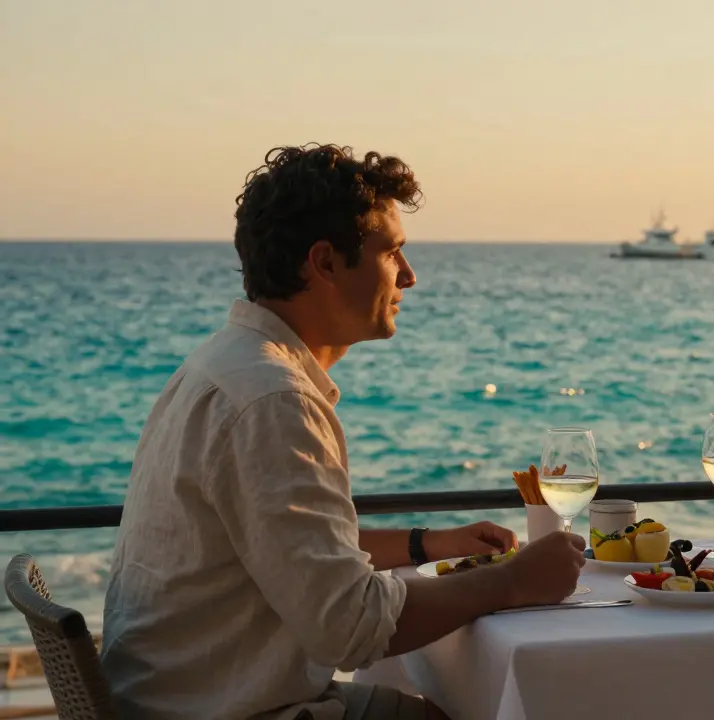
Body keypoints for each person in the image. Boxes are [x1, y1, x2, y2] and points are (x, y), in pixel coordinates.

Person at [101, 144, 586, 720]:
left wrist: (424, 545)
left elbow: (291, 551)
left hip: (177, 698)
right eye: (393, 253)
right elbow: (351, 627)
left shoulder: (222, 366)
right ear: (325, 263)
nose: (409, 275)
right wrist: (513, 583)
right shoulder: (273, 401)